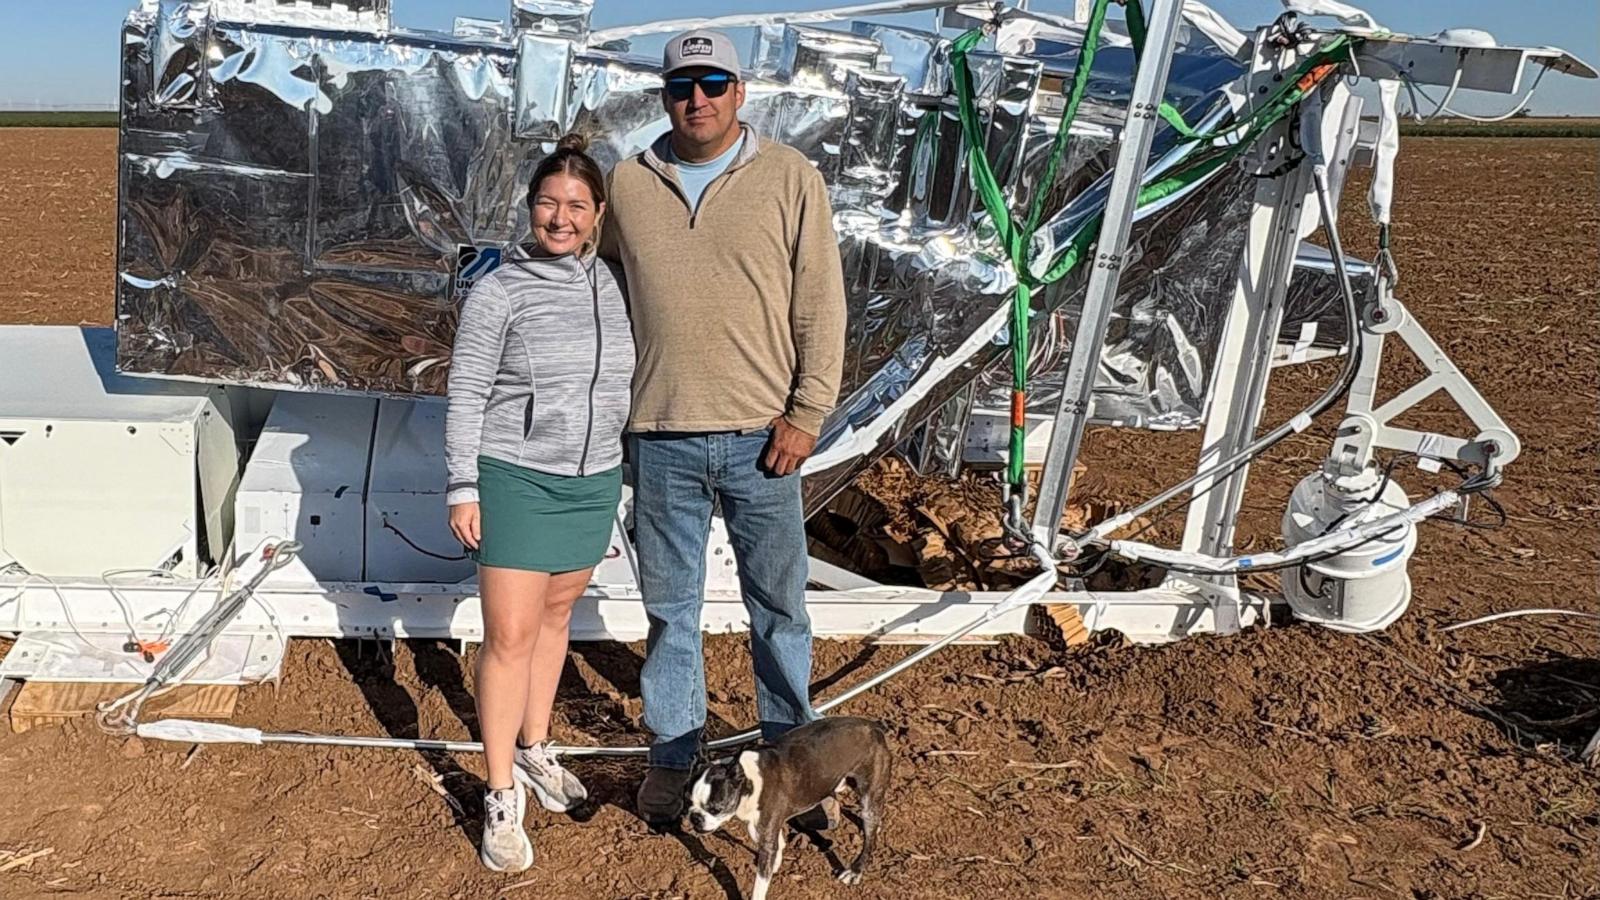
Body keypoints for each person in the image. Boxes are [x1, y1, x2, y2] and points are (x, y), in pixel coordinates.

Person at [601, 29, 848, 826]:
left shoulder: (788, 177)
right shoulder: (630, 185)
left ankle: (792, 769)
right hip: (662, 436)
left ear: (740, 92)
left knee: (779, 609)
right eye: (681, 85)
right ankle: (674, 762)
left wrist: (808, 413)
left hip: (763, 441)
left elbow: (821, 303)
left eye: (713, 82)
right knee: (672, 612)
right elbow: (601, 297)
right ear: (663, 95)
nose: (696, 99)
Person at [444, 133, 634, 872]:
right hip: (516, 476)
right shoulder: (500, 290)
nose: (560, 217)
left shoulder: (618, 284)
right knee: (510, 636)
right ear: (529, 210)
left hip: (592, 479)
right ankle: (498, 793)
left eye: (576, 206)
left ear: (598, 213)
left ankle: (534, 747)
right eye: (548, 203)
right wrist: (464, 484)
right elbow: (465, 392)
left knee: (558, 619)